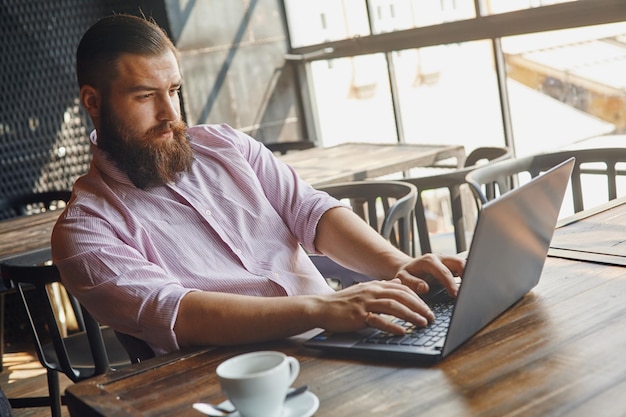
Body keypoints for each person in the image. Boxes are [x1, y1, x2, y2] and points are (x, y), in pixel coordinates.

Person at [51, 14, 465, 356]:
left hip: (342, 341)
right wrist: (321, 308)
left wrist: (398, 265)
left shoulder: (226, 145)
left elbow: (311, 211)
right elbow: (179, 314)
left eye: (174, 91)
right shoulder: (84, 230)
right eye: (145, 97)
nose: (169, 113)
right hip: (237, 384)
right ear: (93, 102)